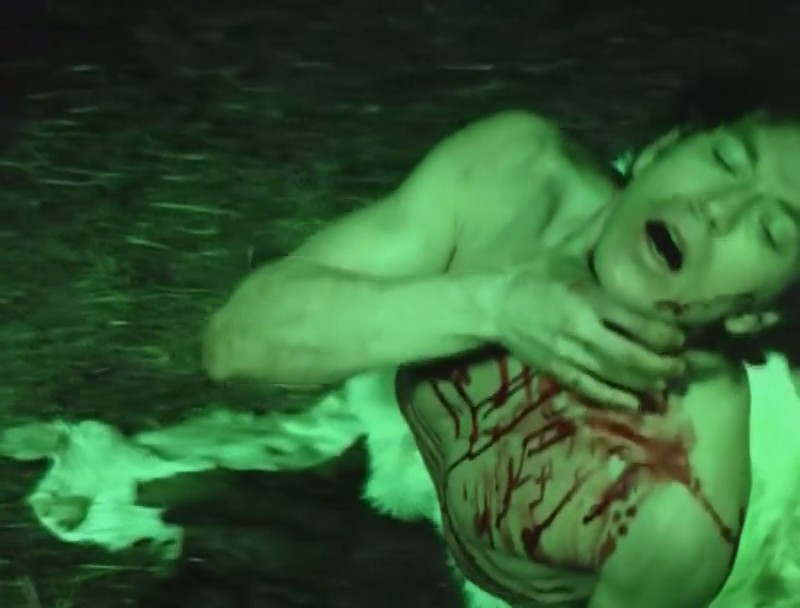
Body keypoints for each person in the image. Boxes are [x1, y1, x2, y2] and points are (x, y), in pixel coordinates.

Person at [4, 69, 800, 608]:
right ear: (658, 152)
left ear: (758, 313)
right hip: (388, 488)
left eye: (771, 228)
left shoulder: (688, 487)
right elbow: (235, 344)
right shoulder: (514, 182)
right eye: (725, 159)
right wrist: (493, 304)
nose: (719, 209)